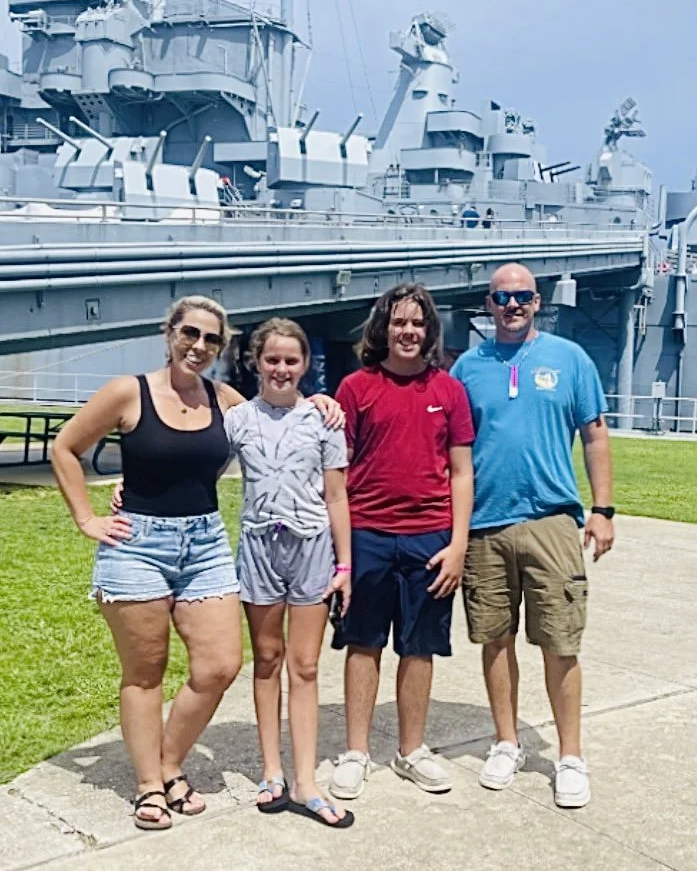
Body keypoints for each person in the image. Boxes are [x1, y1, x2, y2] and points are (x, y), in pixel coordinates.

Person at [52, 295, 342, 832]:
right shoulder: (127, 392)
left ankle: (165, 762)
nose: (199, 346)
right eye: (190, 333)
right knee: (145, 673)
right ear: (170, 333)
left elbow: (276, 409)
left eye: (212, 339)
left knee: (218, 666)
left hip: (205, 542)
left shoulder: (224, 399)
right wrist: (87, 518)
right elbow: (65, 447)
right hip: (137, 544)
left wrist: (323, 403)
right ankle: (150, 786)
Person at [449, 263, 614, 809]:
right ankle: (506, 741)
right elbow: (451, 450)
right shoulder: (468, 367)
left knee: (561, 643)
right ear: (488, 304)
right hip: (485, 526)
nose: (512, 305)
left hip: (551, 520)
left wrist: (604, 508)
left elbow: (594, 433)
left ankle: (569, 756)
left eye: (522, 296)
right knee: (495, 639)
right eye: (502, 297)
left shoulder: (570, 359)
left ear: (537, 302)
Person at [329, 284, 475, 800]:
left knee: (420, 647)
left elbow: (461, 472)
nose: (408, 332)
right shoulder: (355, 388)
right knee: (362, 642)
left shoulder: (449, 391)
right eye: (398, 323)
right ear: (383, 329)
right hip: (367, 533)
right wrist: (342, 552)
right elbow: (335, 472)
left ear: (429, 331)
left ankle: (411, 751)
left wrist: (458, 543)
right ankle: (355, 752)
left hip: (430, 537)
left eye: (417, 324)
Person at [224, 318, 354, 829]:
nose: (281, 369)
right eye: (272, 359)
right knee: (267, 660)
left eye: (291, 360)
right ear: (257, 361)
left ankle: (306, 780)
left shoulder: (323, 420)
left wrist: (344, 565)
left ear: (305, 365)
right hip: (258, 546)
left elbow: (336, 494)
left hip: (312, 549)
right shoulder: (238, 420)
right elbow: (196, 469)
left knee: (304, 666)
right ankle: (272, 771)